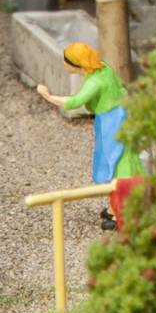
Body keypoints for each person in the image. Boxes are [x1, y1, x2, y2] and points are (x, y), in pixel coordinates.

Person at [37, 41, 141, 226]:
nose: (64, 63)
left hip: (112, 121)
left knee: (116, 162)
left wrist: (48, 96)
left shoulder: (94, 81)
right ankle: (114, 208)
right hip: (117, 115)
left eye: (66, 61)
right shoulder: (103, 68)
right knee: (117, 160)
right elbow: (120, 87)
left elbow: (75, 102)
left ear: (76, 64)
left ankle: (122, 214)